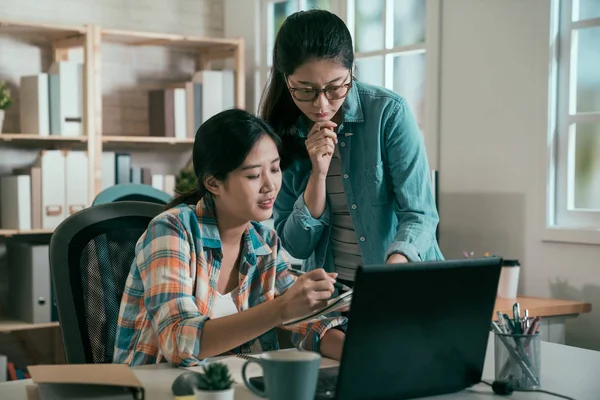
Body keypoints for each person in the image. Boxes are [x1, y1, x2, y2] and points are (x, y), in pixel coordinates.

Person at [113, 108, 346, 367]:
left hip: (230, 386)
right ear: (213, 184)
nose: (270, 186)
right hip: (160, 389)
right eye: (253, 175)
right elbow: (179, 342)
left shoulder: (264, 242)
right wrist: (280, 310)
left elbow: (310, 323)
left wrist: (359, 352)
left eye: (275, 169)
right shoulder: (171, 230)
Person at [260, 9, 444, 287]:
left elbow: (420, 215)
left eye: (335, 87)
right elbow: (296, 246)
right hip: (334, 293)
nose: (322, 105)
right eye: (306, 90)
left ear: (351, 71)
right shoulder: (280, 135)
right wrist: (317, 175)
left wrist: (391, 269)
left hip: (403, 282)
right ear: (287, 80)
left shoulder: (388, 114)